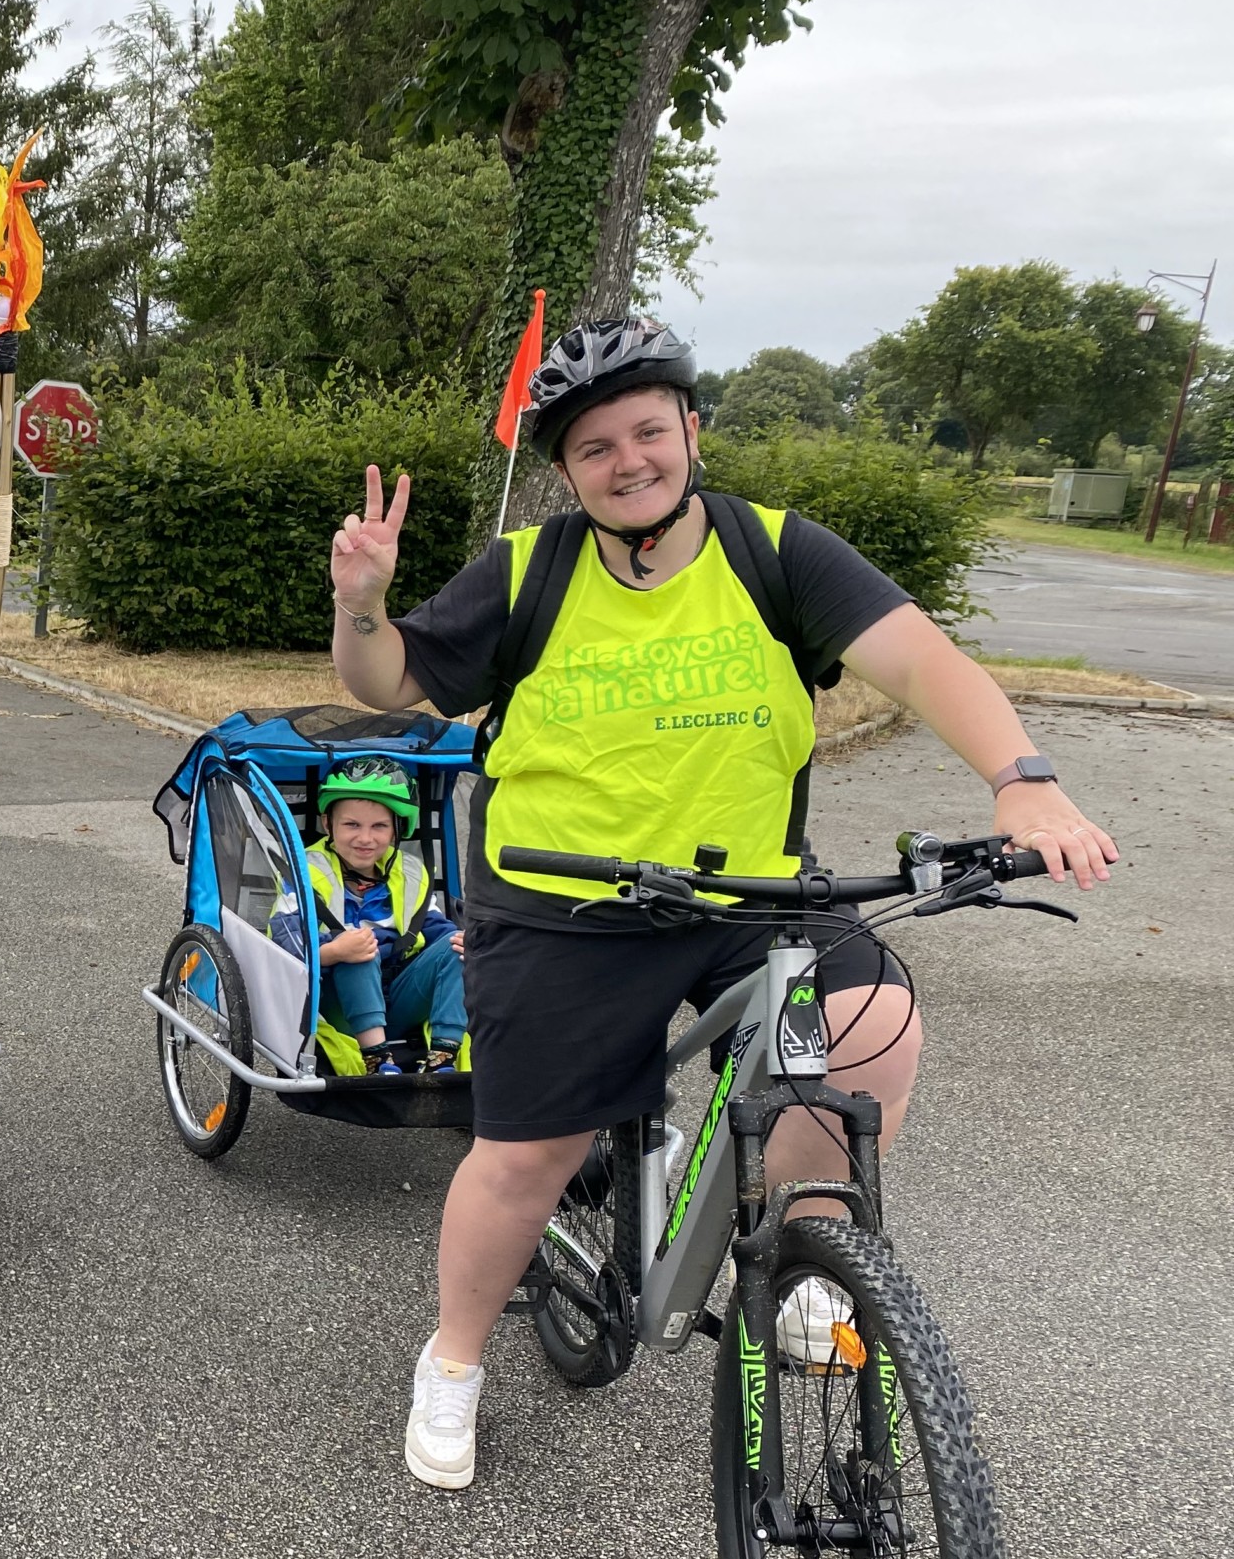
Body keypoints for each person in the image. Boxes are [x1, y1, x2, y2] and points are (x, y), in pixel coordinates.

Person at [326, 316, 1118, 1493]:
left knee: (872, 1028)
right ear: (566, 470)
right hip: (564, 903)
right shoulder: (530, 571)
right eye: (594, 447)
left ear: (691, 430)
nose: (627, 460)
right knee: (525, 1155)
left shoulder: (775, 552)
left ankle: (791, 1260)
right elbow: (388, 685)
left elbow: (921, 662)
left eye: (648, 430)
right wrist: (363, 604)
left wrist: (1024, 781)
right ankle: (452, 1357)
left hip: (747, 891)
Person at [298, 756, 466, 1075]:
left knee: (456, 944)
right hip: (336, 1006)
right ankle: (377, 1060)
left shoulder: (409, 873)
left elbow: (436, 932)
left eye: (379, 826)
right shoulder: (305, 871)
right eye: (352, 825)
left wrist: (467, 941)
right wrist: (333, 952)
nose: (366, 838)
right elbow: (283, 944)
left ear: (396, 829)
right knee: (358, 947)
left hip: (398, 999)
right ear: (327, 824)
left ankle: (443, 1057)